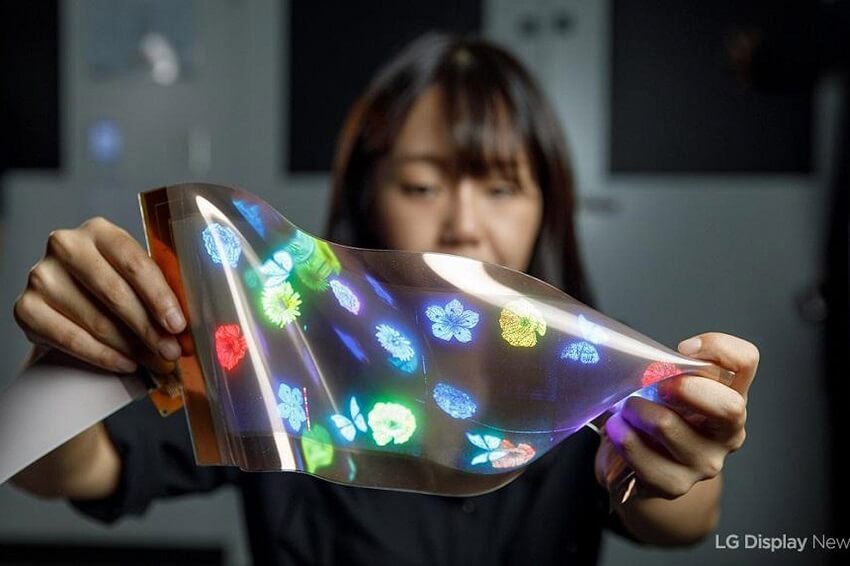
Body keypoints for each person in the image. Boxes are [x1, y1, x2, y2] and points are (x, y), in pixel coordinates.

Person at [10, 33, 759, 565]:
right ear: (370, 197)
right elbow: (70, 470)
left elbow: (686, 523)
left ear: (548, 207)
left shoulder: (594, 373)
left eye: (501, 187)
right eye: (423, 185)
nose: (465, 224)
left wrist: (680, 452)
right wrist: (73, 361)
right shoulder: (275, 358)